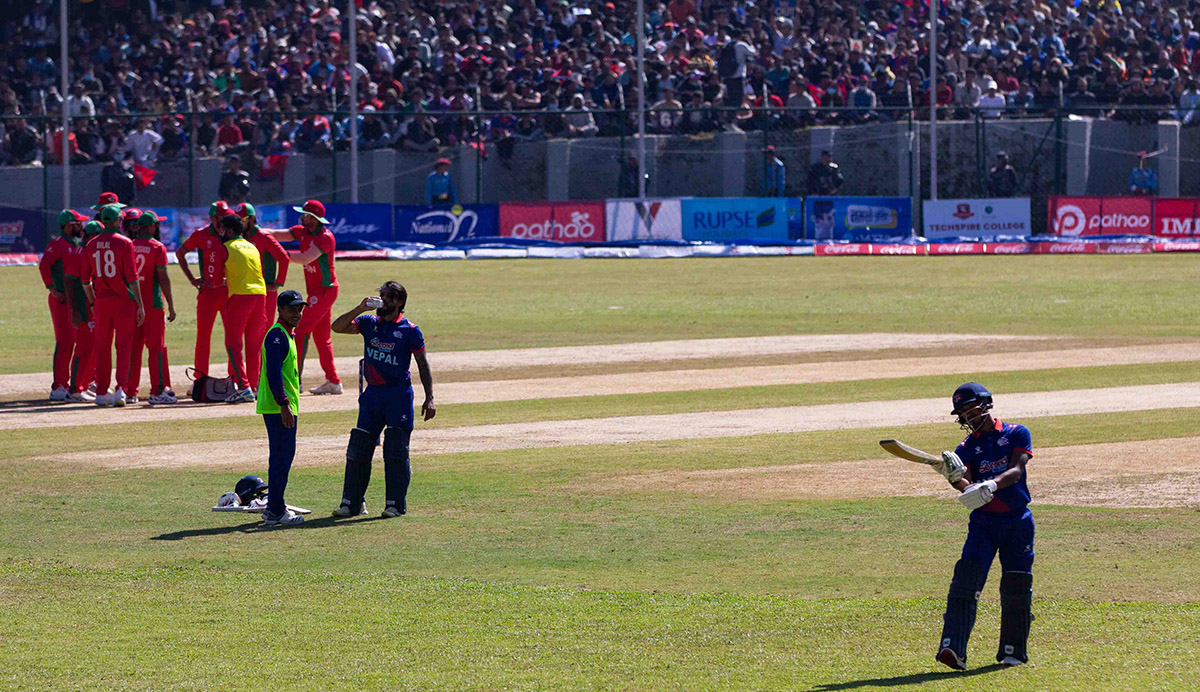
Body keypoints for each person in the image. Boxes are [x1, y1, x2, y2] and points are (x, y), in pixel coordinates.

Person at [934, 382, 1034, 671]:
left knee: (1016, 586)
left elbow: (1016, 470)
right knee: (966, 581)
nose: (967, 415)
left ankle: (1013, 651)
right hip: (983, 524)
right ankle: (952, 648)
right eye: (962, 412)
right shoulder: (965, 447)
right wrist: (952, 477)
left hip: (1017, 521)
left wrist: (992, 483)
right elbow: (965, 484)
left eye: (970, 408)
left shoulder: (1016, 432)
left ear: (986, 403)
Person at [330, 281, 435, 518]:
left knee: (396, 451)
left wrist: (430, 398)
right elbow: (336, 327)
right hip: (373, 395)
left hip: (398, 396)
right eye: (381, 296)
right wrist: (359, 308)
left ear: (399, 302)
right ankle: (352, 503)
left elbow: (422, 363)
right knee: (359, 449)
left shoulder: (410, 330)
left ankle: (395, 505)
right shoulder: (369, 323)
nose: (382, 300)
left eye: (387, 297)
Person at [270, 200, 342, 394]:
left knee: (300, 331)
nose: (301, 218)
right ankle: (333, 382)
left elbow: (305, 258)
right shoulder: (301, 231)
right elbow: (278, 235)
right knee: (322, 338)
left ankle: (295, 380)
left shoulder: (325, 237)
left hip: (326, 291)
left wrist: (279, 253)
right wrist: (261, 234)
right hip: (314, 293)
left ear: (315, 218)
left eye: (305, 215)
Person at [81, 205, 145, 407]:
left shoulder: (91, 244)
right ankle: (121, 390)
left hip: (101, 302)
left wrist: (92, 301)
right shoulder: (125, 243)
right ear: (117, 220)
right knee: (124, 346)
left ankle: (101, 391)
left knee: (102, 347)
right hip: (123, 302)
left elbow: (85, 281)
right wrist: (140, 305)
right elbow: (132, 278)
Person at [256, 289, 307, 526]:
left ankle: (274, 507)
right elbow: (274, 374)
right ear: (280, 310)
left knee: (282, 457)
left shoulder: (287, 334)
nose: (297, 313)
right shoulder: (277, 335)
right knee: (281, 458)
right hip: (279, 408)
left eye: (300, 308)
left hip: (282, 406)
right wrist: (284, 405)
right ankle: (275, 511)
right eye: (292, 309)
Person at [236, 203, 290, 391]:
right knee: (249, 338)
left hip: (266, 293)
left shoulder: (263, 236)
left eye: (243, 219)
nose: (241, 223)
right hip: (249, 292)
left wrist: (277, 282)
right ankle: (250, 381)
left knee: (262, 337)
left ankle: (263, 380)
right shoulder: (241, 237)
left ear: (251, 219)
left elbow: (283, 257)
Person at [126, 211, 178, 405]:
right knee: (155, 348)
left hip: (133, 304)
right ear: (151, 227)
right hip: (153, 305)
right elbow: (163, 278)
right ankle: (157, 391)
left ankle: (130, 392)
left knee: (134, 348)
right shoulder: (157, 247)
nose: (158, 228)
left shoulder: (129, 245)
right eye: (156, 224)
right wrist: (171, 305)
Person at [176, 202, 232, 381]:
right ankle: (200, 379)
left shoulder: (233, 235)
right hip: (207, 293)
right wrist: (192, 279)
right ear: (213, 218)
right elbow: (180, 253)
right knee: (203, 339)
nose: (225, 222)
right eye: (222, 218)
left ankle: (236, 378)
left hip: (228, 293)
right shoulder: (201, 235)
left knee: (233, 339)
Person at [39, 209, 88, 401]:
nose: (81, 226)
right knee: (65, 342)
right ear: (69, 225)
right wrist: (52, 288)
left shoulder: (77, 243)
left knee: (77, 342)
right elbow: (44, 266)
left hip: (74, 300)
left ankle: (73, 383)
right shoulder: (58, 244)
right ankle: (59, 385)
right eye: (78, 222)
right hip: (61, 300)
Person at [219, 213, 266, 403]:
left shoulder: (226, 247)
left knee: (233, 344)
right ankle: (254, 387)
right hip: (260, 295)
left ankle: (244, 386)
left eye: (223, 229)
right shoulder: (252, 246)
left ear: (229, 231)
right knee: (254, 345)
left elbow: (216, 278)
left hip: (240, 296)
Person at [63, 221, 100, 402]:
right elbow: (69, 281)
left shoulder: (87, 251)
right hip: (84, 308)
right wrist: (74, 310)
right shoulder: (81, 253)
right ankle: (75, 389)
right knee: (84, 348)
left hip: (91, 307)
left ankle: (83, 386)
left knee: (91, 348)